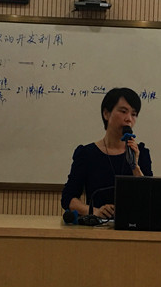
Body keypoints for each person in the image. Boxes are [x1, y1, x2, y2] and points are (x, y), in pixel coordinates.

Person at [61, 87, 152, 219]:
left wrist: (135, 166)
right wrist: (95, 211)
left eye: (134, 114)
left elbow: (149, 198)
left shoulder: (141, 153)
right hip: (97, 226)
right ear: (106, 114)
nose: (129, 119)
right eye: (123, 111)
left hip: (133, 225)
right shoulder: (87, 154)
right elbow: (68, 198)